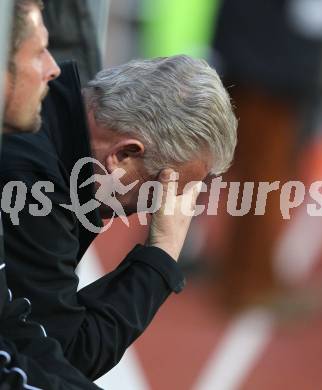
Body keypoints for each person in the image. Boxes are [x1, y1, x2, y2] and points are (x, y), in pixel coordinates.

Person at [0, 55, 237, 380]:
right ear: (124, 155)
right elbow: (64, 360)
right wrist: (162, 254)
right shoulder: (35, 187)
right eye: (158, 194)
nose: (158, 211)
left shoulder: (51, 106)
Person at [0, 0, 101, 388]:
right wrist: (159, 258)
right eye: (39, 52)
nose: (55, 68)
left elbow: (14, 329)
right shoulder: (26, 179)